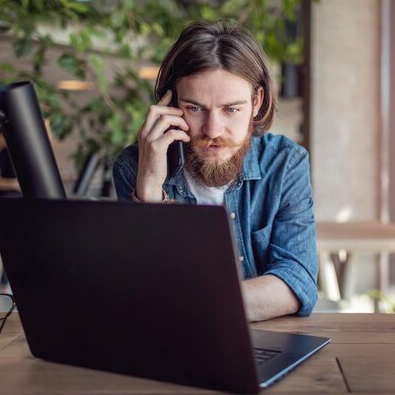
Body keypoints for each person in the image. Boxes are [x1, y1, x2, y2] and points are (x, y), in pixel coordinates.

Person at [113, 21, 318, 321]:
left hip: (266, 344)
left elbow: (296, 282)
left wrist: (193, 302)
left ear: (256, 102)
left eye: (231, 109)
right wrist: (149, 194)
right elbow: (138, 290)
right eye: (195, 108)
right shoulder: (134, 166)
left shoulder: (285, 164)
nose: (213, 129)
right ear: (171, 104)